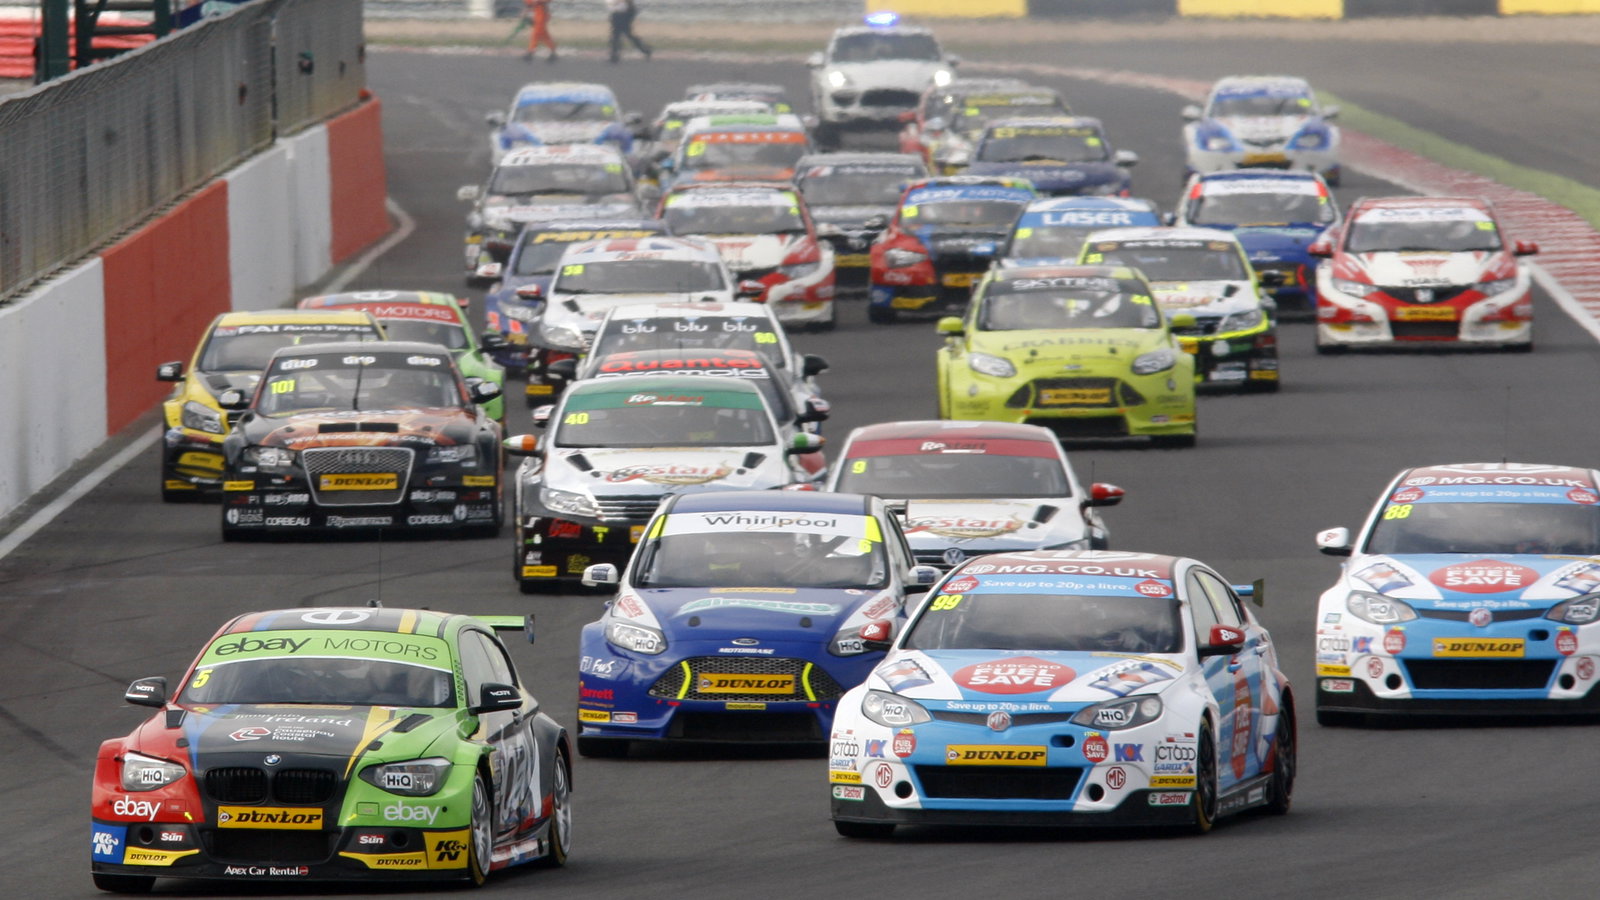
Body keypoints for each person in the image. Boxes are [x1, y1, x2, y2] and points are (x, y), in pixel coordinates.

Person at [607, 0, 651, 64]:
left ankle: (614, 55)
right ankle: (645, 50)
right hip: (621, 13)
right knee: (622, 35)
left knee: (618, 35)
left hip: (623, 13)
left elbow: (628, 4)